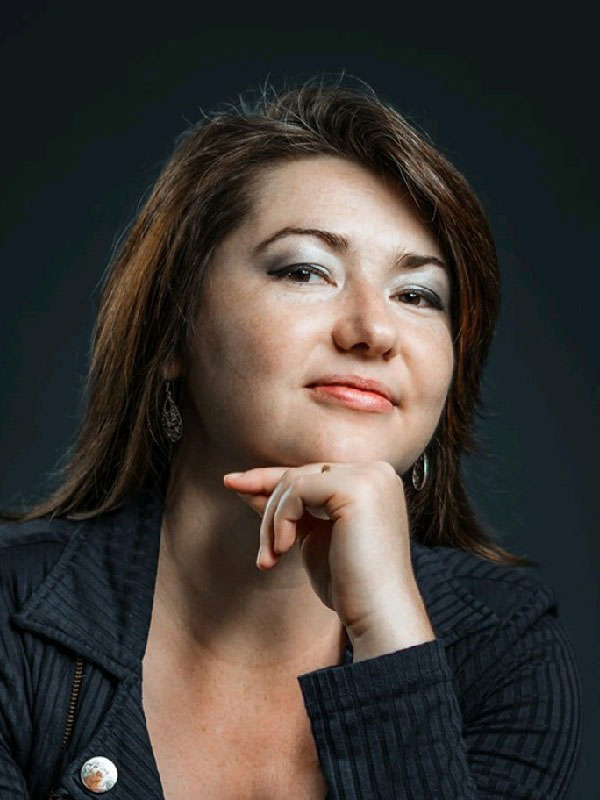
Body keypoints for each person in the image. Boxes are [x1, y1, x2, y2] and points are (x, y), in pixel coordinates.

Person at [0, 77, 582, 799]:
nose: (372, 330)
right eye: (306, 270)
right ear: (174, 329)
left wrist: (391, 641)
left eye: (417, 294)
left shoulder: (505, 646)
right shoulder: (11, 617)